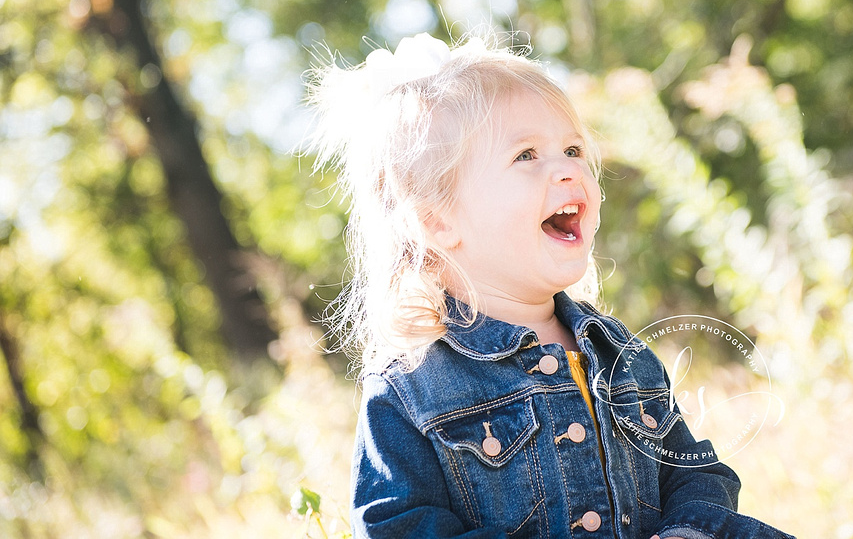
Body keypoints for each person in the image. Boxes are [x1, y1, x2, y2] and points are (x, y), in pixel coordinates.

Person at [307, 31, 794, 539]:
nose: (567, 168)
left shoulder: (620, 354)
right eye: (526, 156)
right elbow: (398, 528)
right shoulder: (412, 390)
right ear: (438, 222)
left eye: (572, 149)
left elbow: (696, 475)